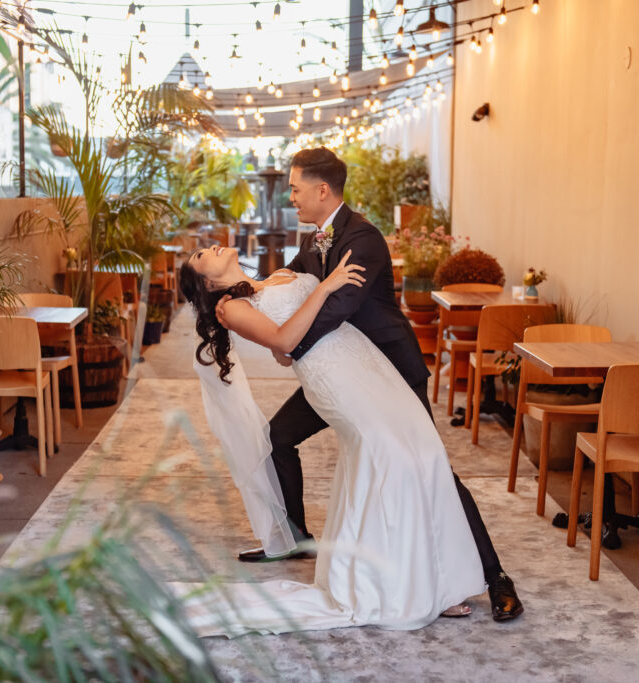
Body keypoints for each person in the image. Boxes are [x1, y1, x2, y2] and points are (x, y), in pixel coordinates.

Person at [217, 147, 523, 622]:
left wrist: (287, 345)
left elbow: (338, 307)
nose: (291, 198)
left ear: (323, 190)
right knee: (278, 437)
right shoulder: (317, 238)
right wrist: (239, 300)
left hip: (390, 373)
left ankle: (495, 575)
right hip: (337, 376)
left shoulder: (364, 239)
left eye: (296, 189)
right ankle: (298, 540)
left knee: (429, 466)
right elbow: (286, 282)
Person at [178, 244, 485, 635]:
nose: (210, 246)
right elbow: (286, 341)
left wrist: (289, 336)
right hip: (335, 379)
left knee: (423, 450)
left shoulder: (265, 282)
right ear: (206, 281)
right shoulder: (229, 308)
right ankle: (396, 586)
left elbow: (283, 352)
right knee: (387, 457)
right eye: (203, 254)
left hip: (364, 361)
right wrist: (324, 288)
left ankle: (439, 581)